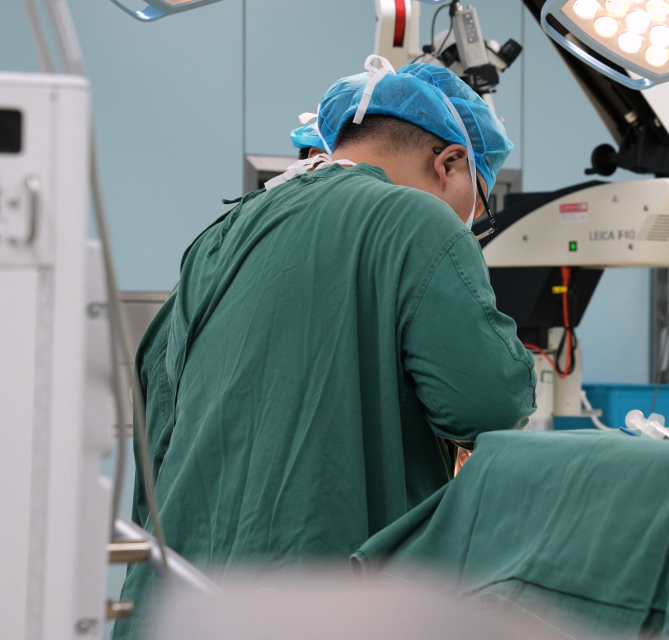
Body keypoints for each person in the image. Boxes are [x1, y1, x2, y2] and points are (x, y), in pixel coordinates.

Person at [115, 58, 535, 637]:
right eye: (477, 206)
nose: (468, 222)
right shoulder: (418, 219)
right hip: (320, 593)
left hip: (186, 597)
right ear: (450, 163)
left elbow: (158, 419)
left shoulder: (220, 236)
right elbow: (489, 404)